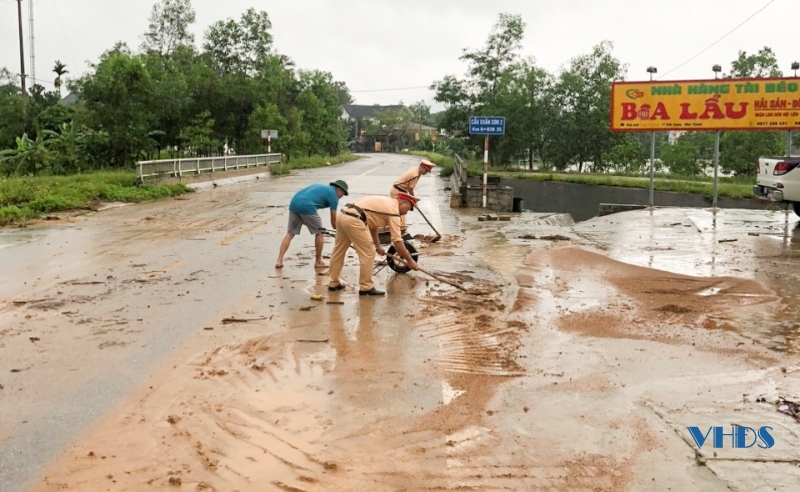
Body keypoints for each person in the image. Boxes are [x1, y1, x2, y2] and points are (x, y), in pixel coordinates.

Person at [328, 193, 420, 296]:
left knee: (339, 250)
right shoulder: (393, 211)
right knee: (368, 252)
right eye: (407, 209)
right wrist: (410, 261)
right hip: (355, 219)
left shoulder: (386, 203)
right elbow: (397, 240)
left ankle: (333, 283)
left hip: (343, 215)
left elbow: (373, 228)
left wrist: (378, 246)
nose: (406, 213)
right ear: (402, 202)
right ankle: (366, 287)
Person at [275, 180, 349, 269]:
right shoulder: (333, 196)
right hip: (307, 206)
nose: (342, 197)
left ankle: (279, 260)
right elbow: (333, 219)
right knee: (319, 233)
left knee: (290, 233)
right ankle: (318, 261)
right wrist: (339, 231)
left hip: (294, 203)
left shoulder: (323, 187)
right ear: (339, 190)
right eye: (343, 194)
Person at [390, 159, 436, 234]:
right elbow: (410, 189)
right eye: (426, 170)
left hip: (399, 190)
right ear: (422, 167)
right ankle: (403, 233)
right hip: (398, 192)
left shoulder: (414, 169)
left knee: (398, 211)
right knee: (401, 211)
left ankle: (400, 231)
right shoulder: (415, 175)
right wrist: (413, 201)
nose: (426, 172)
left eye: (428, 171)